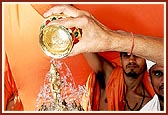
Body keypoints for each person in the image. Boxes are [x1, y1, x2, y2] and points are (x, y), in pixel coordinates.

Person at [3, 3, 164, 111]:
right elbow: (88, 51)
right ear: (120, 60)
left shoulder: (149, 104)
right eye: (127, 55)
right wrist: (74, 25)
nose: (131, 61)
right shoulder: (110, 77)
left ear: (147, 70)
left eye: (137, 57)